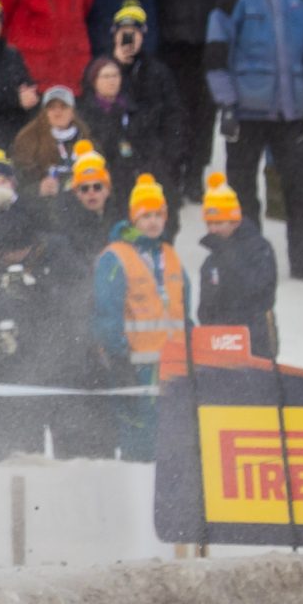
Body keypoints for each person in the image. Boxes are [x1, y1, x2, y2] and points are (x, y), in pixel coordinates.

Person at [206, 0, 303, 281]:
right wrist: (226, 105)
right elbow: (215, 59)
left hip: (291, 113)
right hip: (246, 114)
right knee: (243, 194)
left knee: (302, 190)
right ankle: (248, 262)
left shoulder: (299, 0)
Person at [90, 173, 185, 460]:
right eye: (146, 215)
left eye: (158, 214)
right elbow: (106, 312)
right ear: (133, 219)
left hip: (174, 368)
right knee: (140, 441)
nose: (153, 221)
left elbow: (185, 309)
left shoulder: (170, 254)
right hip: (137, 368)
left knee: (172, 442)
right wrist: (119, 360)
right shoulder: (115, 257)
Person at [194, 173, 277, 357]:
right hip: (219, 345)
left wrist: (230, 256)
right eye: (209, 223)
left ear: (235, 220)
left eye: (219, 222)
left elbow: (261, 290)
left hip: (255, 342)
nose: (213, 229)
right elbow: (205, 307)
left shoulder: (259, 249)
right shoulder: (210, 261)